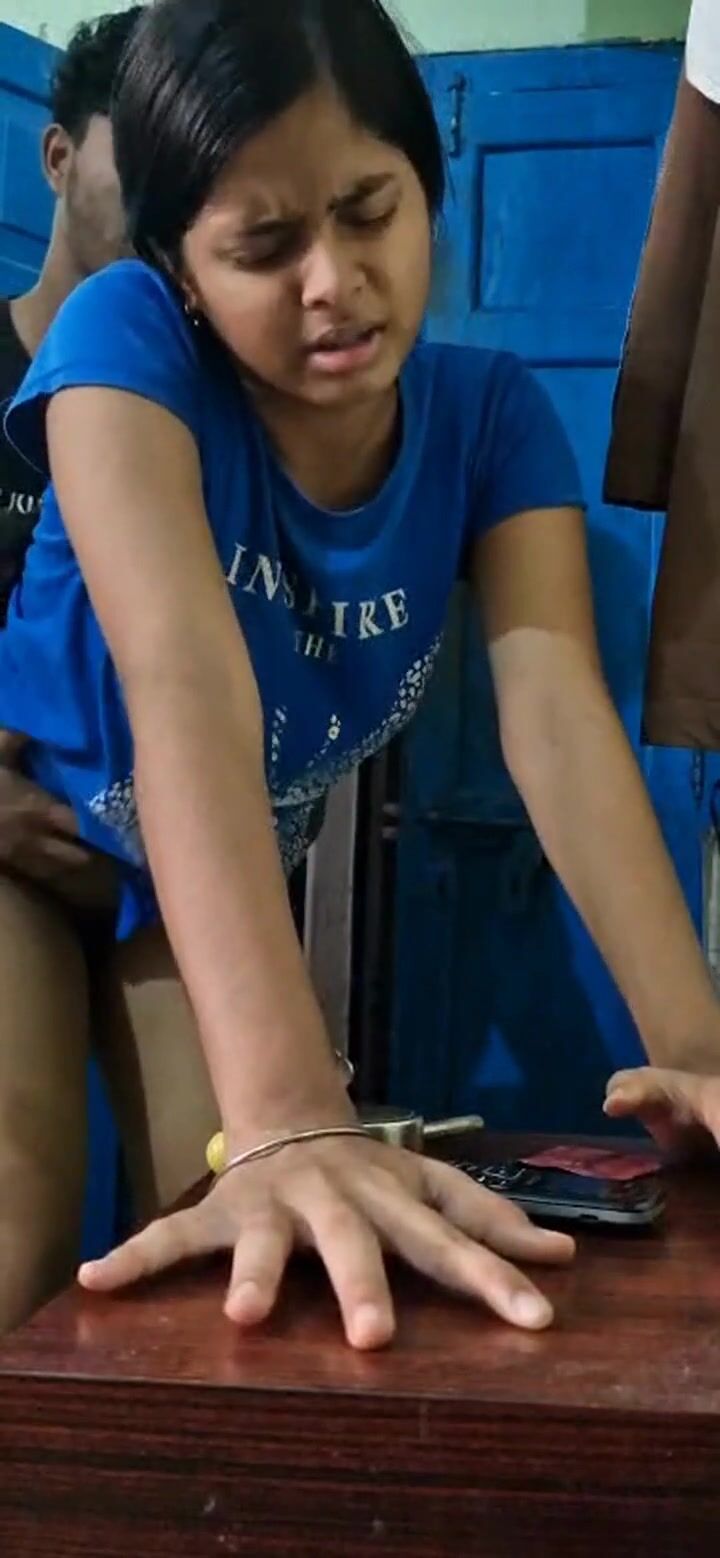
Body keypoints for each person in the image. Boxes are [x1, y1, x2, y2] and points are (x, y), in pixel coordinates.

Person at [3, 0, 720, 1352]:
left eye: (369, 211)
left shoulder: (492, 419)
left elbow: (556, 715)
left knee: (248, 1269)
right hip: (26, 840)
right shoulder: (121, 343)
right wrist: (286, 1108)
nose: (332, 280)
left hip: (177, 879)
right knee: (17, 1222)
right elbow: (183, 684)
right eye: (263, 246)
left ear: (426, 190)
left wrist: (697, 1048)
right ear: (177, 270)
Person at [0, 8, 144, 896]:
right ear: (59, 158)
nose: (167, 203)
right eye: (142, 157)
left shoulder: (197, 418)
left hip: (140, 872)